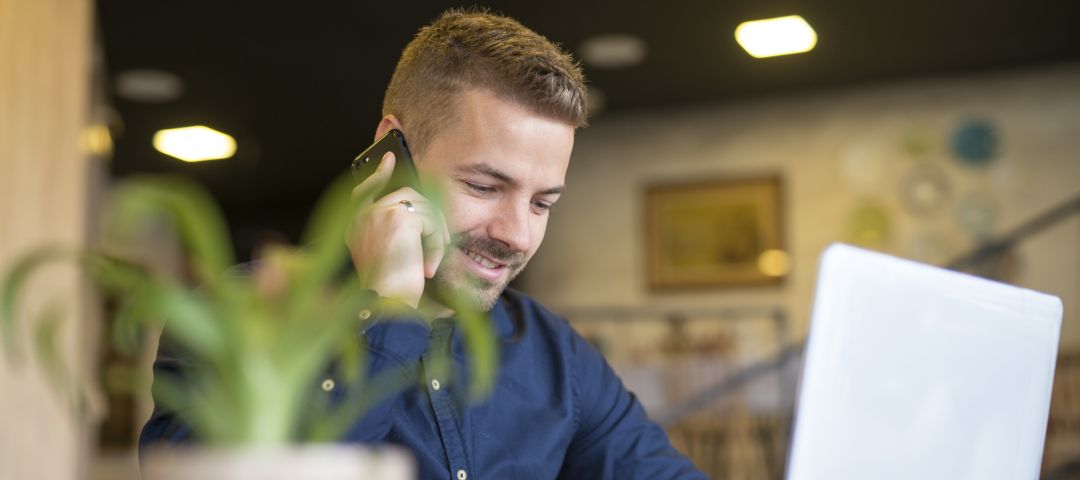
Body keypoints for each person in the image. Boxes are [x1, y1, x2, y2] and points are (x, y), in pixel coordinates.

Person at [142, 9, 706, 479]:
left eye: (542, 204)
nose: (516, 233)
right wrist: (385, 308)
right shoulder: (241, 315)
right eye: (484, 186)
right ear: (393, 153)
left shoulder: (556, 357)